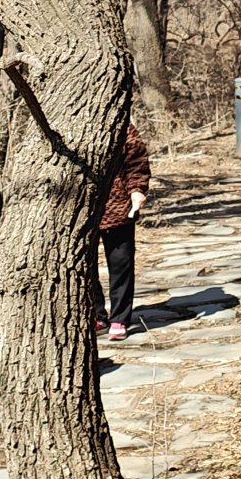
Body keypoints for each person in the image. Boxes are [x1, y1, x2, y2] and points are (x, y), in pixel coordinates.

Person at [94, 119, 150, 340]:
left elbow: (136, 159)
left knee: (121, 263)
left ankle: (119, 318)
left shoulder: (119, 123)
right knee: (84, 268)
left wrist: (137, 190)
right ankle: (96, 314)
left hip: (118, 205)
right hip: (80, 209)